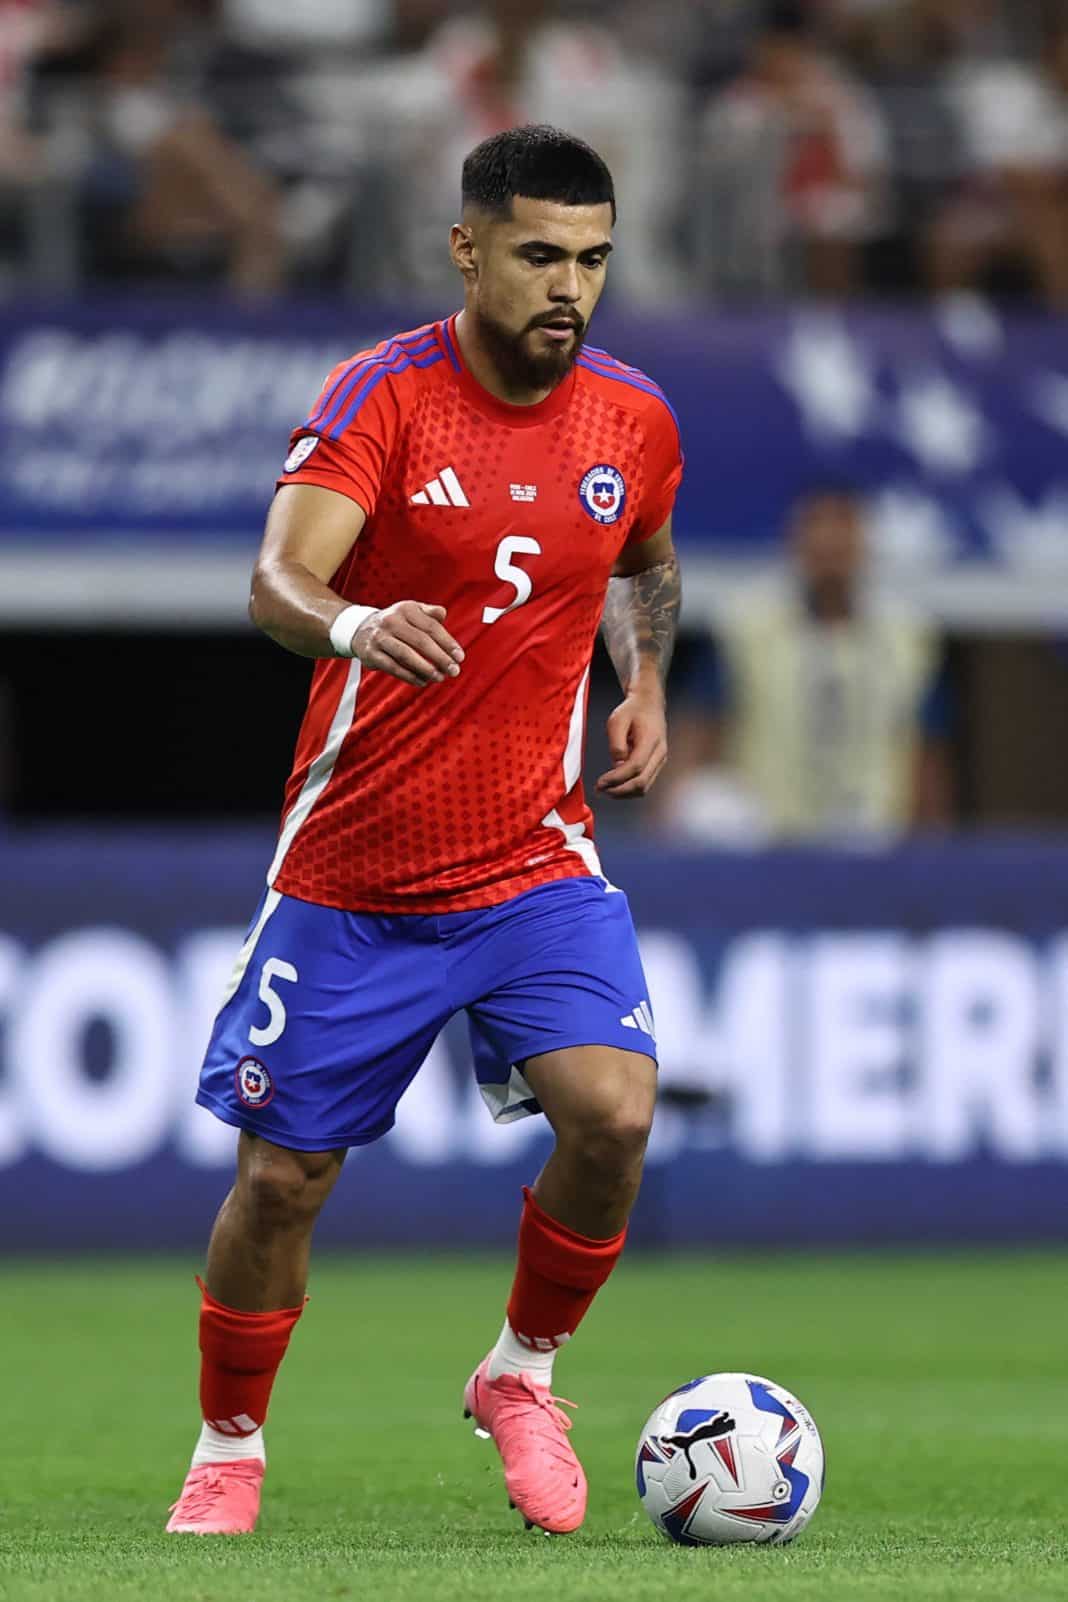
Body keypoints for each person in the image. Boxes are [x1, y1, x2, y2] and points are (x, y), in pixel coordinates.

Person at [165, 123, 683, 1538]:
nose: (567, 286)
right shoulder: (384, 396)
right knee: (280, 1179)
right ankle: (230, 1444)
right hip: (356, 869)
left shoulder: (632, 416)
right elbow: (278, 579)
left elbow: (645, 561)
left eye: (590, 259)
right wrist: (352, 620)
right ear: (469, 249)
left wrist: (641, 685)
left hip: (532, 858)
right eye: (537, 255)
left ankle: (521, 1374)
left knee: (615, 1112)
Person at [659, 487, 951, 842]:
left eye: (840, 545)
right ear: (796, 545)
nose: (829, 555)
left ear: (862, 547)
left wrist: (934, 848)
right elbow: (699, 728)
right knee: (704, 805)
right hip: (764, 828)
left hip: (870, 831)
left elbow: (928, 752)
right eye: (819, 544)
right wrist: (666, 828)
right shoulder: (746, 626)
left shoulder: (909, 636)